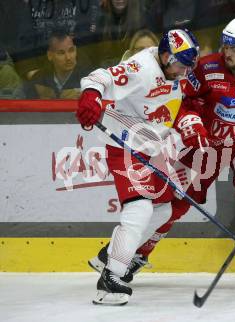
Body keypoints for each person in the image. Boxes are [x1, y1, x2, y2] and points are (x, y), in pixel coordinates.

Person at [95, 16, 235, 291]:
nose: (226, 51)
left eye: (234, 48)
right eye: (225, 45)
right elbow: (180, 97)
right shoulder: (206, 67)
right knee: (175, 203)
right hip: (205, 146)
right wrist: (190, 120)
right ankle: (134, 254)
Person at [76, 28, 200, 305]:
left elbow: (180, 100)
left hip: (151, 148)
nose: (184, 72)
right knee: (140, 207)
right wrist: (90, 96)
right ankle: (110, 279)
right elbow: (99, 77)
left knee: (163, 209)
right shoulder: (141, 67)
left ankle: (109, 255)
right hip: (124, 144)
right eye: (181, 65)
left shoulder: (179, 67)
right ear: (166, 56)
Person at [24, 29, 90, 99]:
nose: (68, 57)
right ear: (50, 55)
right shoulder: (38, 79)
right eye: (61, 53)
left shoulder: (89, 78)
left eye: (71, 50)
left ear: (76, 50)